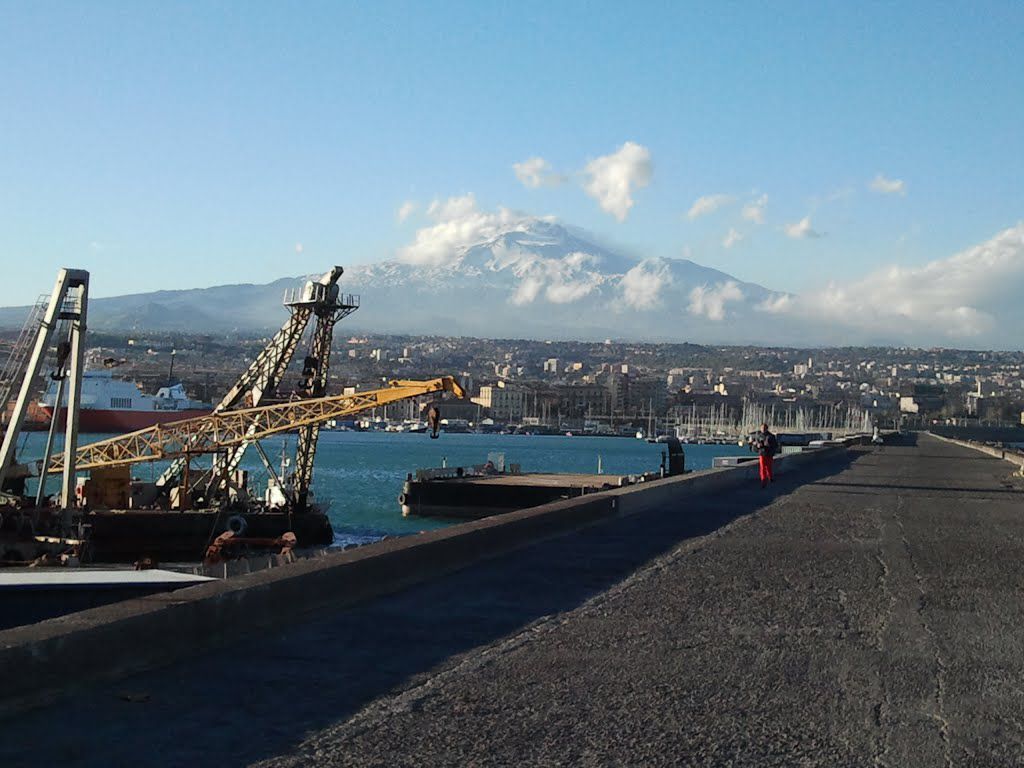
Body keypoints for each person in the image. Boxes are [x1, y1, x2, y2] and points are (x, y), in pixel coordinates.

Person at [755, 423, 778, 488]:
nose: (763, 429)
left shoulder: (771, 436)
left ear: (766, 429)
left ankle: (770, 477)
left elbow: (775, 445)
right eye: (762, 428)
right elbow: (755, 446)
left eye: (764, 428)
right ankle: (763, 480)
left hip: (769, 454)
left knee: (769, 467)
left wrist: (769, 447)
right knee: (762, 467)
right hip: (762, 453)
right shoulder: (758, 436)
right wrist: (757, 446)